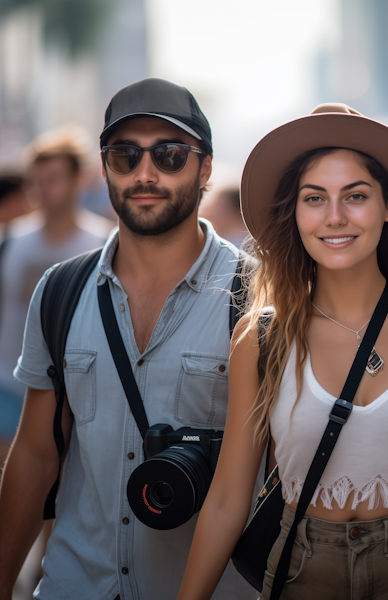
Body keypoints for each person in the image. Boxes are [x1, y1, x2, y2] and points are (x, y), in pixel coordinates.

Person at [178, 104, 388, 600]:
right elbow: (230, 496)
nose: (334, 216)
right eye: (314, 198)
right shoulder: (261, 337)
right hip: (303, 569)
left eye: (355, 196)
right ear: (294, 213)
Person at [0, 78, 259, 600]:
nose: (146, 173)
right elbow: (34, 453)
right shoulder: (61, 289)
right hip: (75, 585)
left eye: (169, 155)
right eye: (125, 155)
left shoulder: (256, 295)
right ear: (104, 168)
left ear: (205, 168)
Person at [0, 127, 114, 469]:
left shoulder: (103, 244)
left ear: (79, 180)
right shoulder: (11, 241)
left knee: (62, 492)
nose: (43, 188)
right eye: (38, 179)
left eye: (53, 178)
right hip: (9, 382)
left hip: (76, 393)